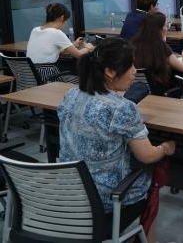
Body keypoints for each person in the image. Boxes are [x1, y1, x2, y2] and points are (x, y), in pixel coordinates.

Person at [58, 38, 175, 241]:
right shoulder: (122, 108)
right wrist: (165, 147)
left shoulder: (71, 95)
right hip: (106, 200)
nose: (135, 72)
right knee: (152, 178)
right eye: (130, 66)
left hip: (69, 192)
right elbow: (147, 156)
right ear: (110, 71)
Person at [130, 12, 183, 95]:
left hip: (138, 90)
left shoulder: (133, 43)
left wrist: (163, 39)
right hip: (160, 90)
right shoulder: (160, 47)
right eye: (165, 25)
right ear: (160, 29)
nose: (167, 28)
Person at [27, 3, 94, 64]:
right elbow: (79, 55)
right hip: (46, 71)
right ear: (62, 18)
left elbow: (49, 50)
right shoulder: (57, 33)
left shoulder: (35, 30)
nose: (65, 24)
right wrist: (88, 48)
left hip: (29, 71)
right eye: (66, 21)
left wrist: (73, 45)